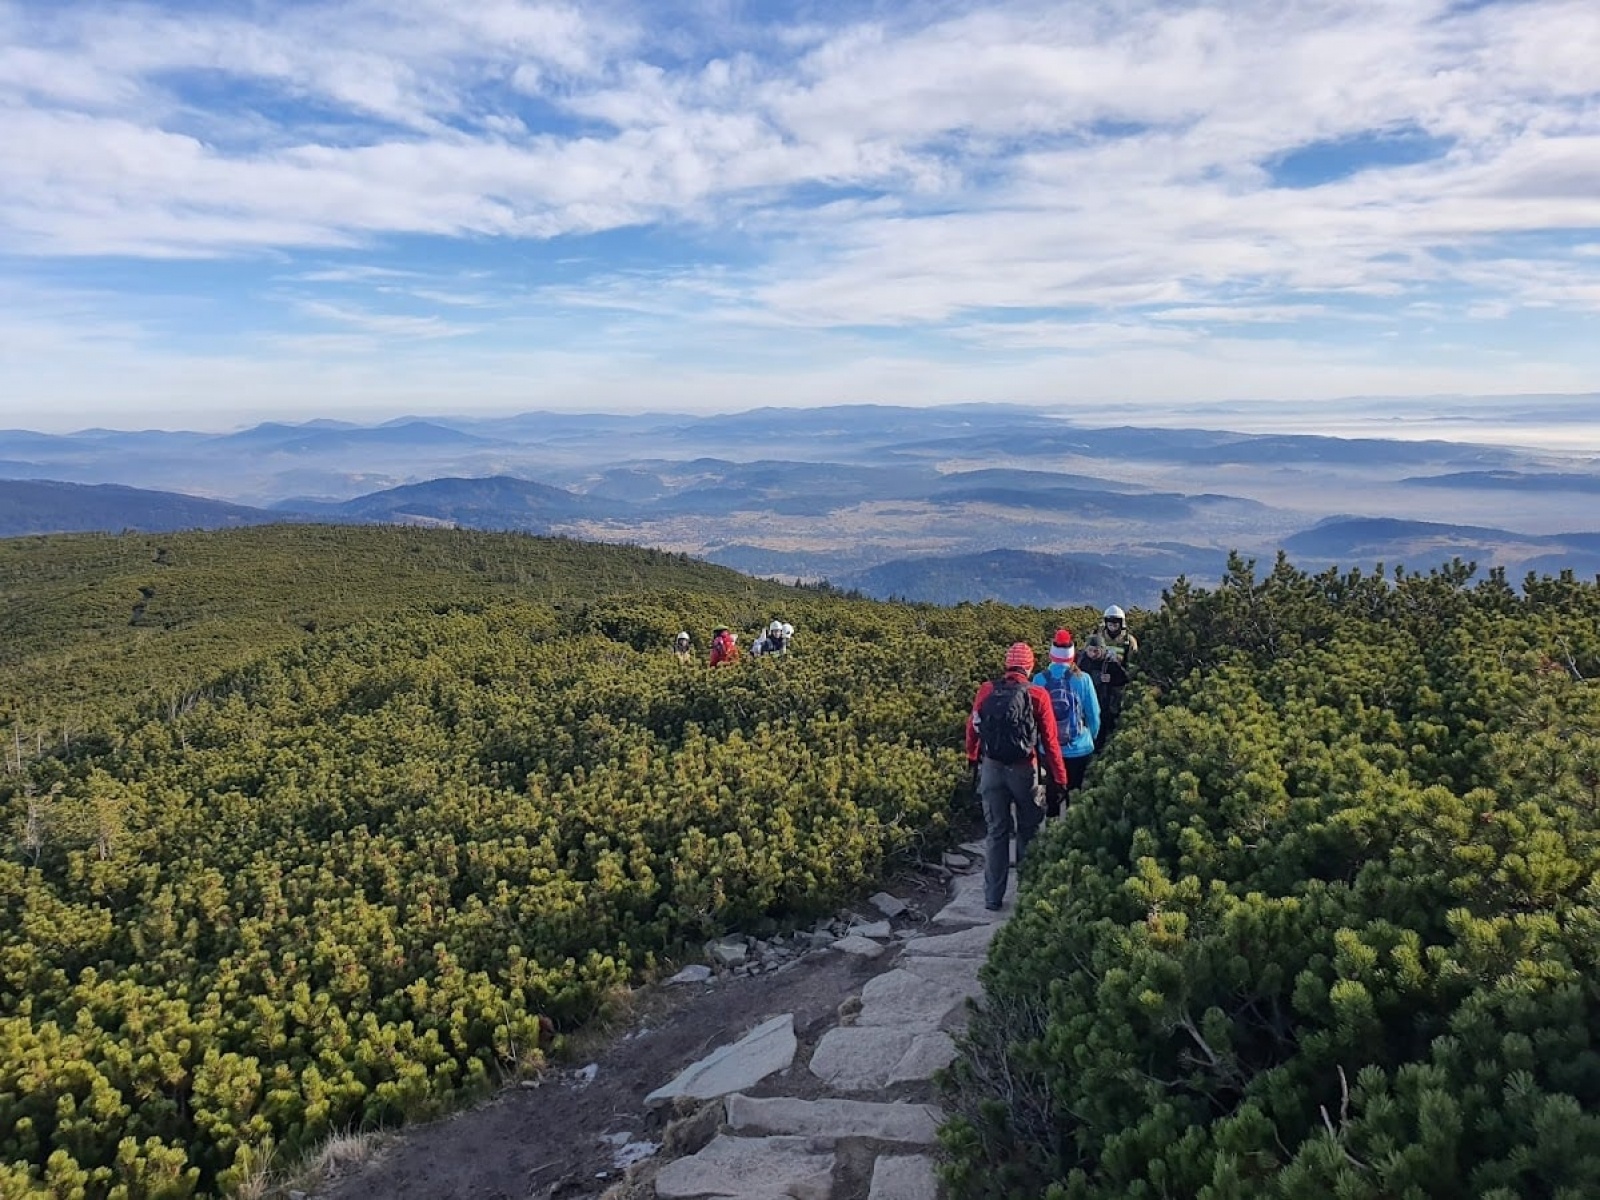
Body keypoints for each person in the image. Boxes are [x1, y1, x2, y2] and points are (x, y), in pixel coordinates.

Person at [965, 642, 1068, 911]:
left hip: (992, 768)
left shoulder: (987, 690)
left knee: (996, 832)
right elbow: (1050, 741)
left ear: (1006, 663)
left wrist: (973, 757)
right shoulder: (1037, 694)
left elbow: (973, 728)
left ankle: (992, 898)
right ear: (1031, 665)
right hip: (1024, 770)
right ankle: (1027, 893)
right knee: (1029, 830)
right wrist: (1060, 778)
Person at [1032, 629, 1099, 814]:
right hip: (1079, 748)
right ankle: (1070, 831)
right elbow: (1094, 714)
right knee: (1075, 793)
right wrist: (1090, 737)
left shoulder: (1039, 680)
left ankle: (1051, 826)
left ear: (1051, 654)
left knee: (1052, 792)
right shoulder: (1083, 679)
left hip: (1049, 749)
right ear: (1072, 655)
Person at [1095, 605, 1138, 741]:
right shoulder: (1098, 638)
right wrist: (1098, 677)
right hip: (1099, 685)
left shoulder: (1128, 642)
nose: (1112, 625)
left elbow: (1133, 667)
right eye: (1110, 621)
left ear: (1121, 623)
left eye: (1116, 622)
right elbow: (1088, 663)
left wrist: (1122, 679)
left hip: (1119, 687)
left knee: (1116, 716)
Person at [1082, 633, 1128, 748]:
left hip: (1105, 704)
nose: (1093, 654)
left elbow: (1124, 679)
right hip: (1087, 703)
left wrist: (1111, 679)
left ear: (1102, 649)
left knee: (1103, 733)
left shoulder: (1111, 662)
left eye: (1096, 651)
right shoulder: (1083, 660)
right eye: (1090, 650)